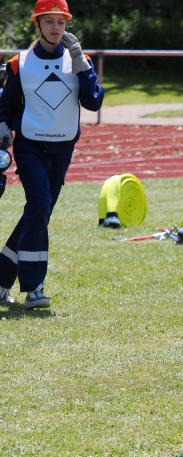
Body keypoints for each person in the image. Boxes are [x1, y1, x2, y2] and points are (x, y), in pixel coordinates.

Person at [0, 0, 105, 308]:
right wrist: (4, 129)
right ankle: (34, 288)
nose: (56, 27)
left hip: (63, 149)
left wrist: (82, 66)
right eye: (49, 22)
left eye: (60, 22)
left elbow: (94, 102)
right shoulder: (21, 63)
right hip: (29, 146)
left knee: (37, 213)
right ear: (38, 24)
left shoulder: (80, 60)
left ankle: (1, 279)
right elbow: (6, 106)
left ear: (66, 25)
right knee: (40, 205)